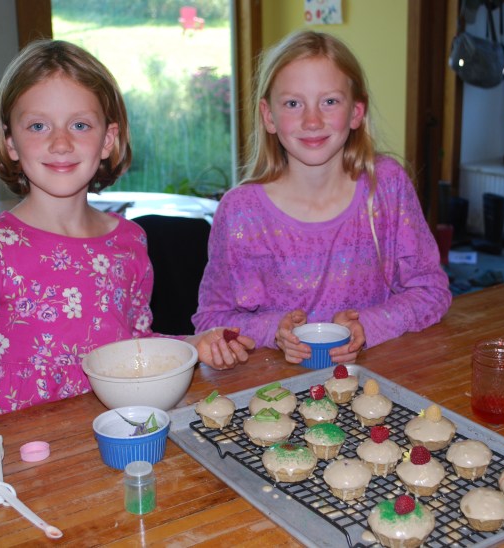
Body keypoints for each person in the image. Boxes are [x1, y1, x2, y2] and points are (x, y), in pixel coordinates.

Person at [0, 40, 254, 505]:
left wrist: (193, 345)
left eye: (80, 125)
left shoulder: (129, 242)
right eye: (38, 125)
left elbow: (131, 349)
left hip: (116, 458)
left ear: (108, 139)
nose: (61, 142)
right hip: (16, 478)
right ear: (10, 139)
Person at [193, 30, 451, 365]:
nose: (312, 120)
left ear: (356, 112)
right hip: (274, 393)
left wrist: (367, 327)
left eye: (329, 101)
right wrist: (273, 330)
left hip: (374, 385)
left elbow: (431, 292)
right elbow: (210, 321)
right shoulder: (240, 211)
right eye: (293, 103)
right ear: (269, 116)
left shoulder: (387, 186)